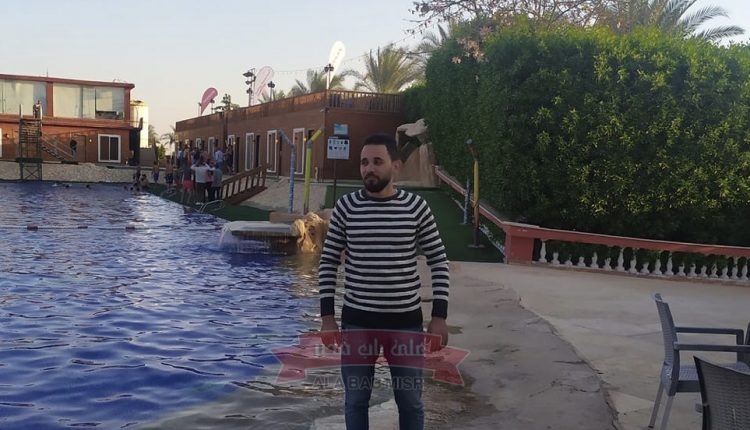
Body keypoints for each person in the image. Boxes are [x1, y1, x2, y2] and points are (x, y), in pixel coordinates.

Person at [318, 133, 450, 430]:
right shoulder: (346, 207)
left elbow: (438, 261)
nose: (369, 169)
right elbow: (328, 262)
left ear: (396, 166)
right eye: (364, 162)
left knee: (410, 402)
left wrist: (439, 316)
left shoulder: (416, 208)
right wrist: (327, 319)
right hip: (357, 324)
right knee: (355, 401)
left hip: (405, 325)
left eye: (377, 162)